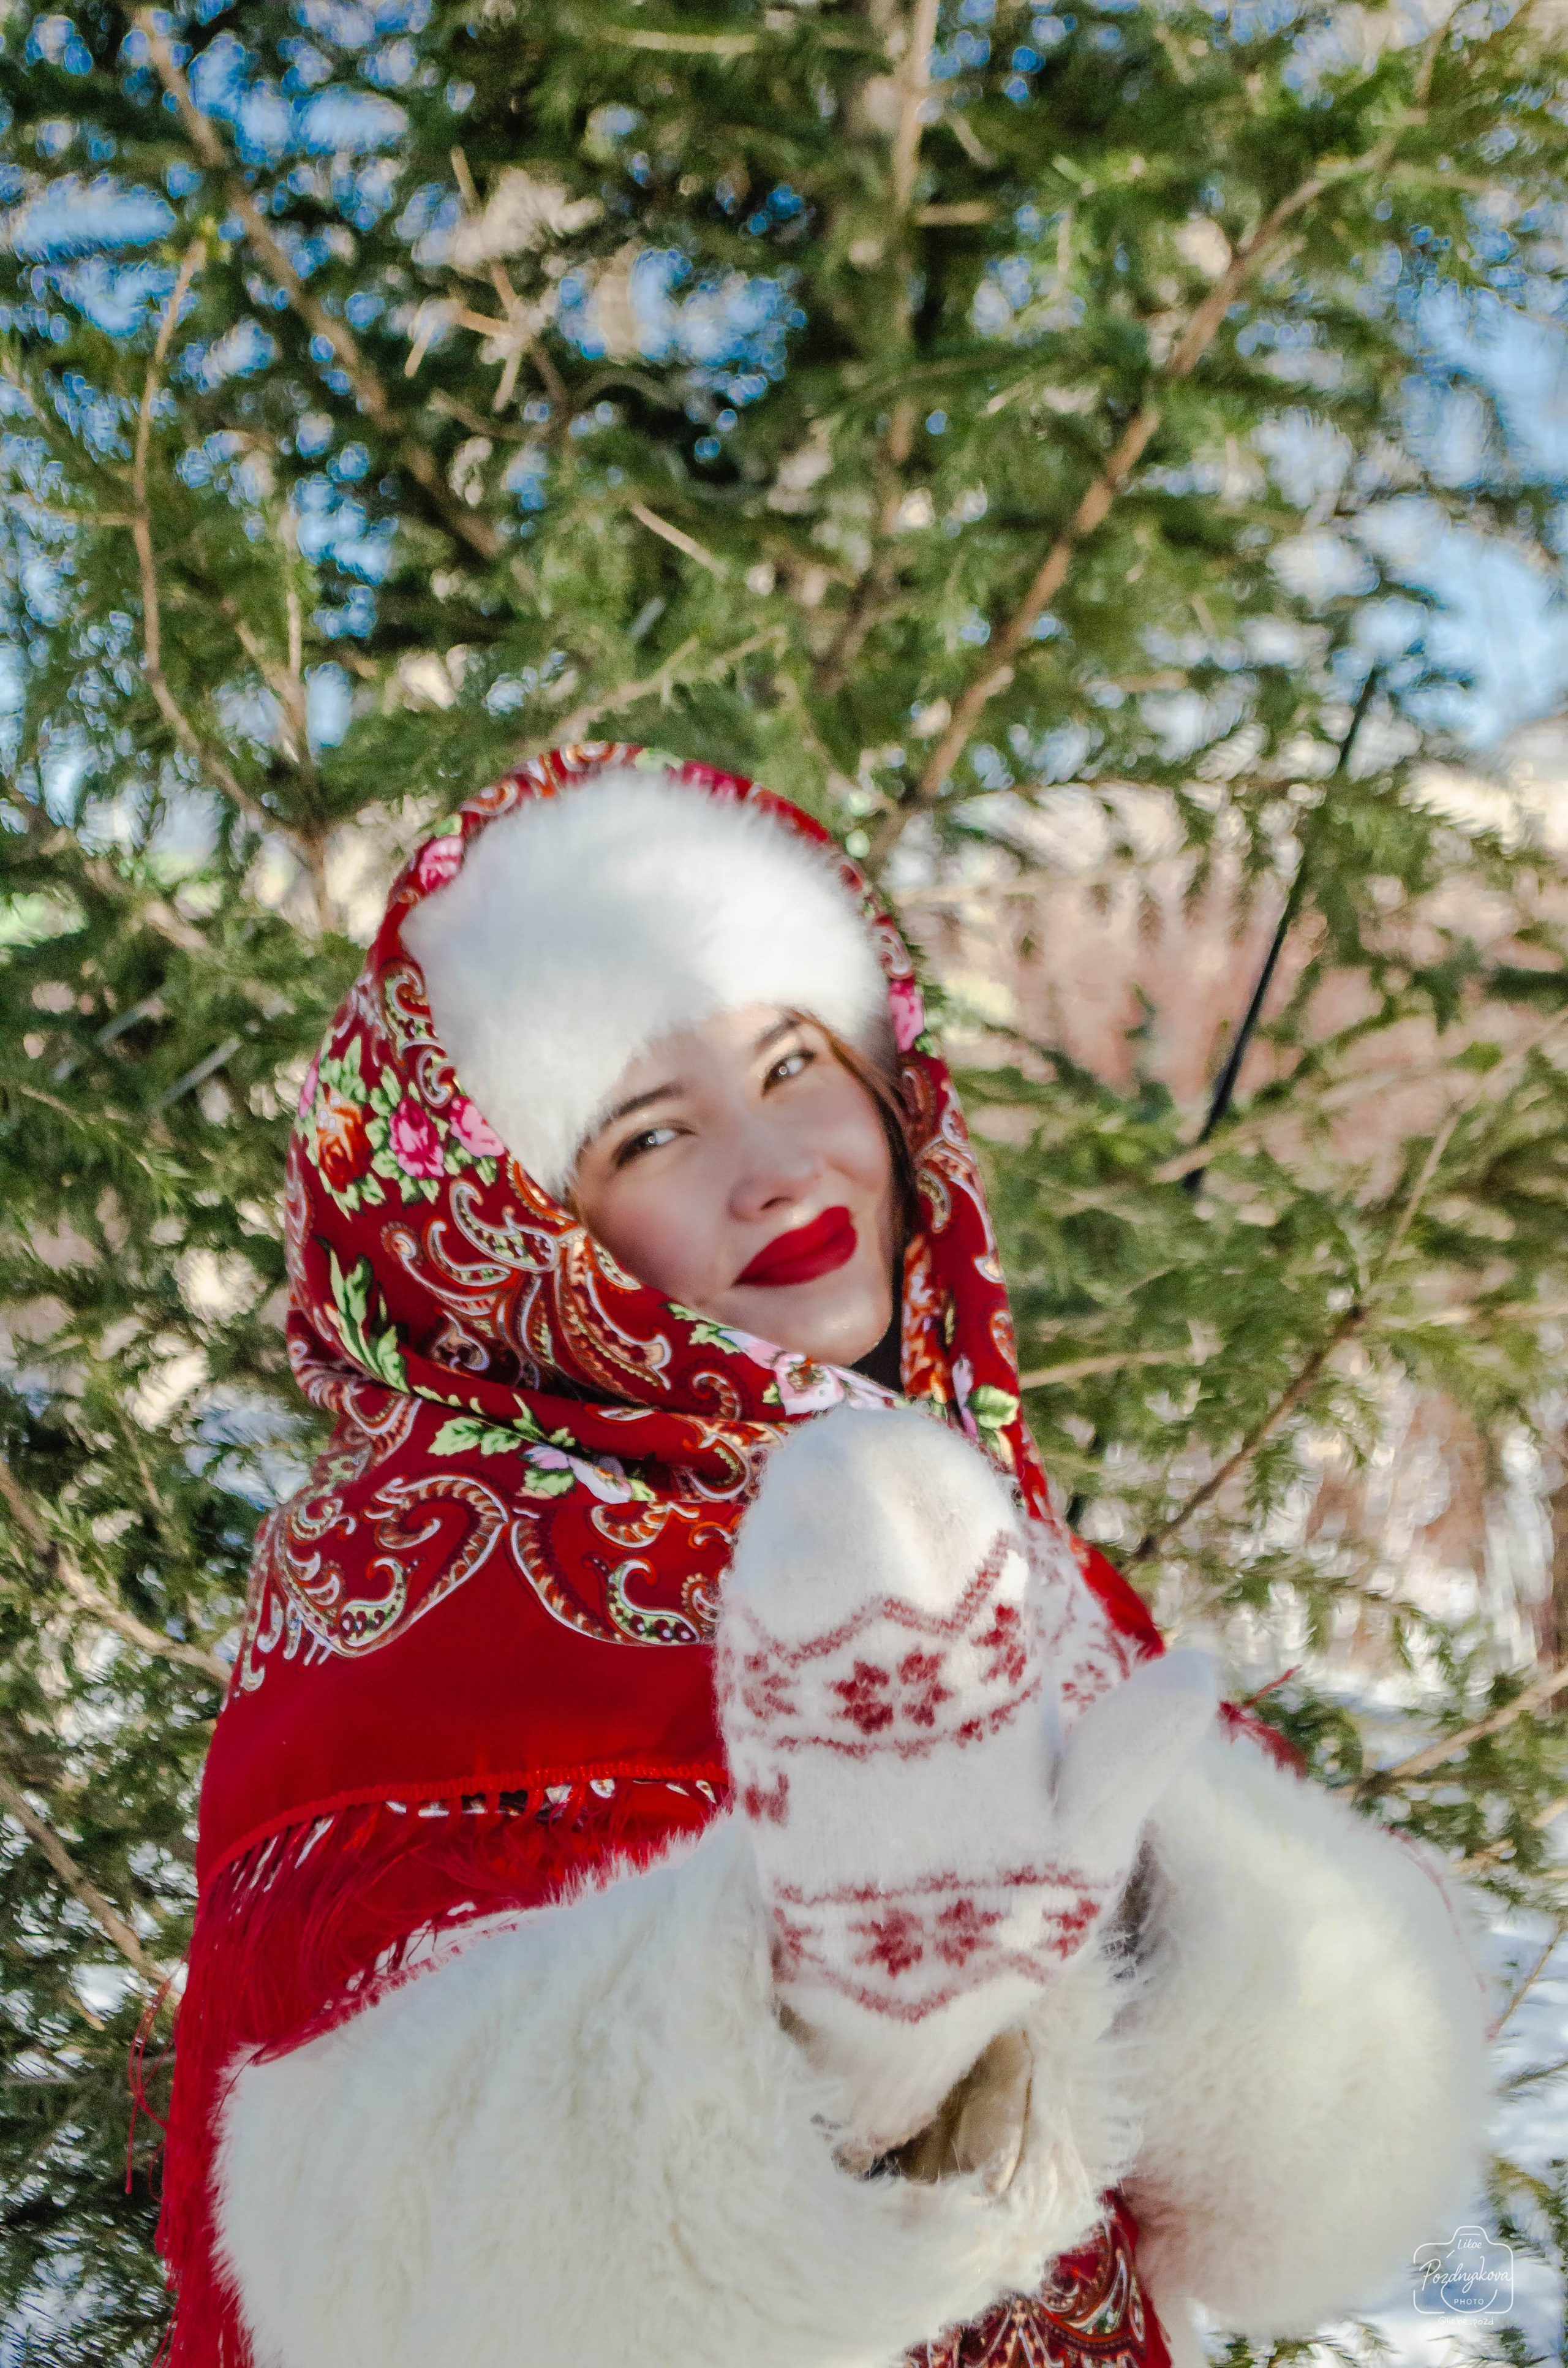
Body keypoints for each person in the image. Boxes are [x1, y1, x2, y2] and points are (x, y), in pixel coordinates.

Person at [159, 746, 1490, 2368]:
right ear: (517, 1233)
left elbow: (1306, 2188)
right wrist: (823, 2046)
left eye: (794, 1061)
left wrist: (1168, 1914)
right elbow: (357, 2261)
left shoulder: (990, 1540)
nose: (779, 1163)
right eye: (650, 1133)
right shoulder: (407, 1597)